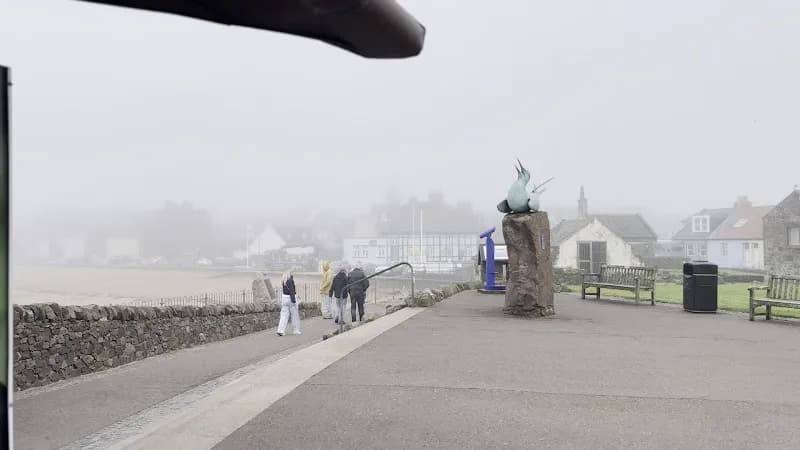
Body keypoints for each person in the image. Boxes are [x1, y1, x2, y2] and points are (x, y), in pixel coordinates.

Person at [277, 270, 301, 336]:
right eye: (291, 273)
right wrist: (294, 300)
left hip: (284, 299)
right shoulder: (290, 280)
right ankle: (296, 330)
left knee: (284, 315)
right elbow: (292, 291)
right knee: (295, 315)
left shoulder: (283, 281)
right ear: (289, 274)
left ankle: (280, 330)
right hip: (290, 299)